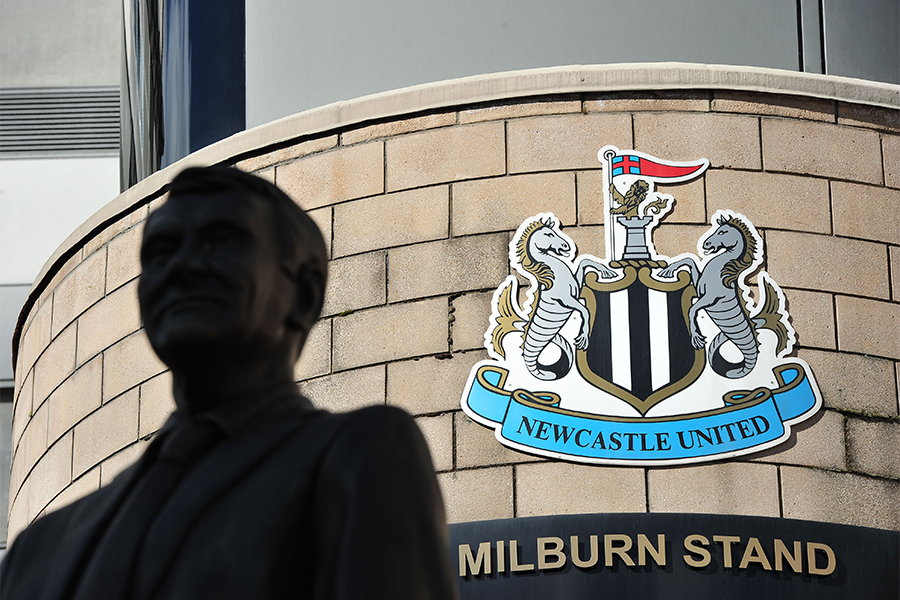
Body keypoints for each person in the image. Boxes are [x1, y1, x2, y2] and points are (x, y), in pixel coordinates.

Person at [1, 166, 457, 600]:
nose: (181, 267)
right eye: (161, 252)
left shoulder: (359, 457)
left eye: (221, 242)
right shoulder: (36, 554)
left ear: (304, 294)